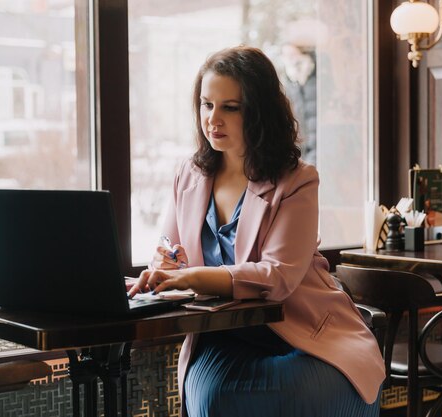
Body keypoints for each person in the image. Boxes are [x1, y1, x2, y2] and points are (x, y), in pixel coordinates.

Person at [128, 46, 384, 417]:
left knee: (229, 403)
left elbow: (277, 276)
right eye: (205, 104)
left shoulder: (297, 180)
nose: (213, 119)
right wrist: (164, 268)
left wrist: (192, 276)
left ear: (258, 111)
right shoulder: (188, 175)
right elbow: (169, 252)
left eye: (229, 107)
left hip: (310, 340)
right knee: (213, 400)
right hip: (225, 339)